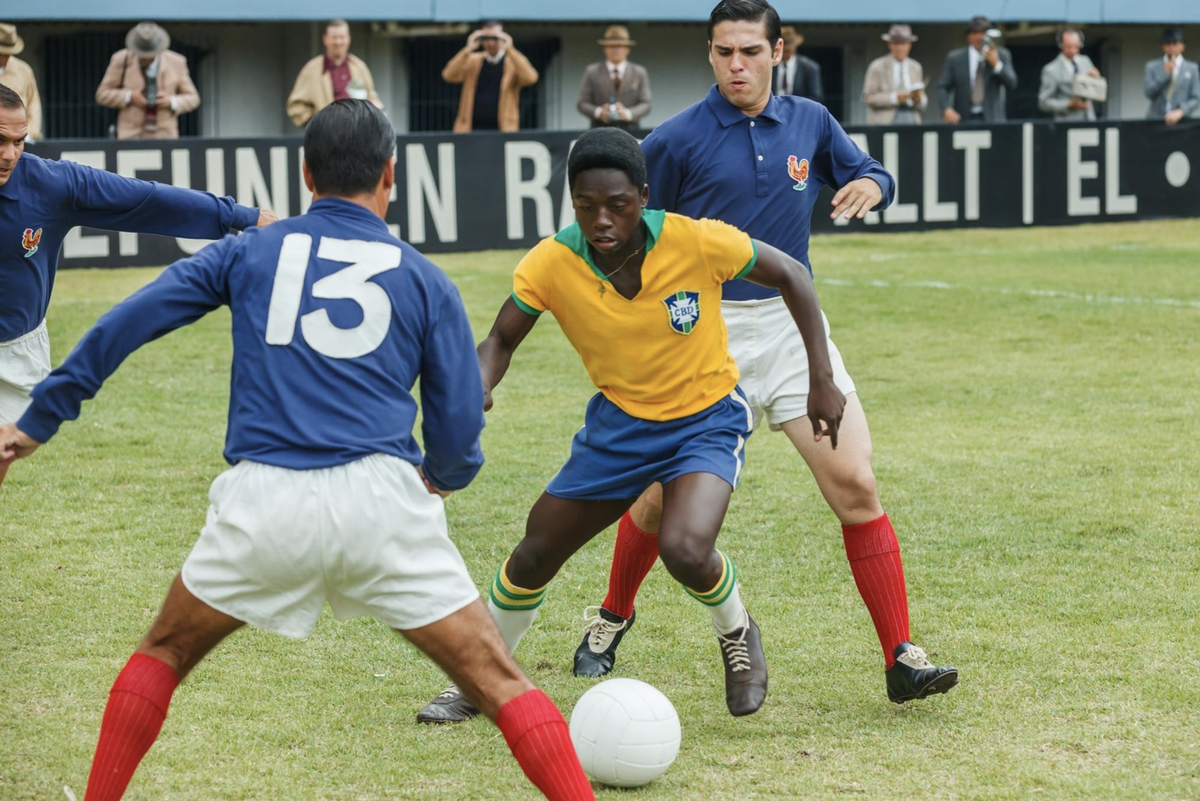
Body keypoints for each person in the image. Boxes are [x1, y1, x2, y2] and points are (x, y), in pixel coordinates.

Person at [0, 99, 595, 801]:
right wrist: (441, 474)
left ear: (304, 172)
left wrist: (45, 413)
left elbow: (130, 319)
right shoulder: (426, 278)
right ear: (391, 176)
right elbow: (460, 428)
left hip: (263, 504)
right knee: (500, 682)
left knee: (163, 651)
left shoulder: (248, 251)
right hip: (384, 506)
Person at [572, 0, 958, 706]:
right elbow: (621, 220)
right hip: (702, 336)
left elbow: (869, 168)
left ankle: (902, 655)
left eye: (750, 51)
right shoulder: (679, 138)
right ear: (710, 54)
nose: (736, 65)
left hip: (790, 330)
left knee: (856, 485)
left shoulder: (811, 121)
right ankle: (611, 615)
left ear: (777, 52)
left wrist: (874, 182)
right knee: (656, 503)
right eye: (724, 52)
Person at [415, 126, 846, 724]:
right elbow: (500, 339)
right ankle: (481, 680)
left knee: (685, 550)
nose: (602, 221)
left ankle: (738, 631)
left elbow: (793, 275)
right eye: (586, 207)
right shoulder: (553, 260)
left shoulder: (696, 240)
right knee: (535, 553)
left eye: (617, 205)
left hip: (705, 421)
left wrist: (820, 378)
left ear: (643, 196)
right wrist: (477, 384)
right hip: (619, 428)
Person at [0, 84, 274, 492]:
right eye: (0, 141)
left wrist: (242, 215)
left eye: (19, 142)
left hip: (15, 354)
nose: (10, 154)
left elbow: (146, 199)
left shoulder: (51, 184)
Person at [95, 22, 200, 140]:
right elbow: (102, 94)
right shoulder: (121, 59)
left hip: (164, 135)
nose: (146, 58)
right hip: (129, 135)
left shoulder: (176, 62)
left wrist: (171, 101)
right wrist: (130, 96)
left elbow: (193, 98)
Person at [442, 21, 538, 133]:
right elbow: (448, 75)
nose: (491, 43)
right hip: (471, 129)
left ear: (503, 38)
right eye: (486, 38)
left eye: (495, 38)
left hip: (503, 130)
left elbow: (531, 78)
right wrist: (468, 49)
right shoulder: (473, 61)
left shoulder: (512, 63)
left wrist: (510, 49)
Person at [286, 19, 383, 129]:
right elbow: (295, 106)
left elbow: (371, 98)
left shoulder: (360, 67)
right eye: (334, 37)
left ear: (348, 39)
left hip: (357, 133)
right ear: (325, 39)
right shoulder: (311, 69)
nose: (338, 42)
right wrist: (318, 123)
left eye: (342, 37)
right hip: (326, 136)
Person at [939, 16, 1017, 124]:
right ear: (968, 36)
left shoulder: (1002, 55)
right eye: (975, 33)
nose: (979, 37)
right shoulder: (955, 59)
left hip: (992, 119)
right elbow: (943, 86)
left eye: (983, 33)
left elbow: (1012, 83)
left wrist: (996, 65)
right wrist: (946, 109)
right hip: (963, 118)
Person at [576, 25, 652, 131]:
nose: (615, 50)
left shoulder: (639, 72)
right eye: (611, 46)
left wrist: (628, 114)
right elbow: (582, 103)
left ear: (627, 49)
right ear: (605, 48)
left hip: (630, 130)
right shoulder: (592, 72)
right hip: (599, 129)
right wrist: (599, 112)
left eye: (620, 46)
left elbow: (646, 104)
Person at [862, 24, 927, 125]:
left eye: (904, 43)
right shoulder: (877, 67)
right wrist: (895, 98)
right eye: (896, 43)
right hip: (885, 120)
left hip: (911, 117)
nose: (900, 48)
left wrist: (918, 99)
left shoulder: (915, 67)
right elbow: (868, 97)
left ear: (910, 45)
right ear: (890, 44)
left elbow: (923, 98)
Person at [1038, 28, 1102, 121]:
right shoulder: (1051, 70)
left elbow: (1097, 94)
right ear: (1061, 45)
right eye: (1068, 47)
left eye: (1076, 46)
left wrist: (1097, 79)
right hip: (1066, 122)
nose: (1072, 50)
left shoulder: (1086, 62)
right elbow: (1043, 103)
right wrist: (1068, 104)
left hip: (1089, 119)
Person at [1145, 26, 1199, 126]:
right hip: (1156, 120)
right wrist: (1164, 74)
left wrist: (1181, 111)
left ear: (1182, 46)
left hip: (1181, 121)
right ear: (1163, 46)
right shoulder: (1152, 66)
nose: (1172, 48)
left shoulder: (1192, 68)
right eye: (1168, 44)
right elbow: (1149, 93)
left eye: (1175, 44)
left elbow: (1195, 98)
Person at [0, 23, 42, 142]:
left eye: (8, 53)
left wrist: (29, 133)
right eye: (1, 53)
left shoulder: (23, 71)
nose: (4, 58)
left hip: (19, 139)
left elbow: (34, 105)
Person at [774, 26, 824, 105]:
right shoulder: (771, 66)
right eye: (783, 51)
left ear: (794, 48)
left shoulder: (809, 68)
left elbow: (816, 97)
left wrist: (793, 105)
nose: (785, 54)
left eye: (788, 51)